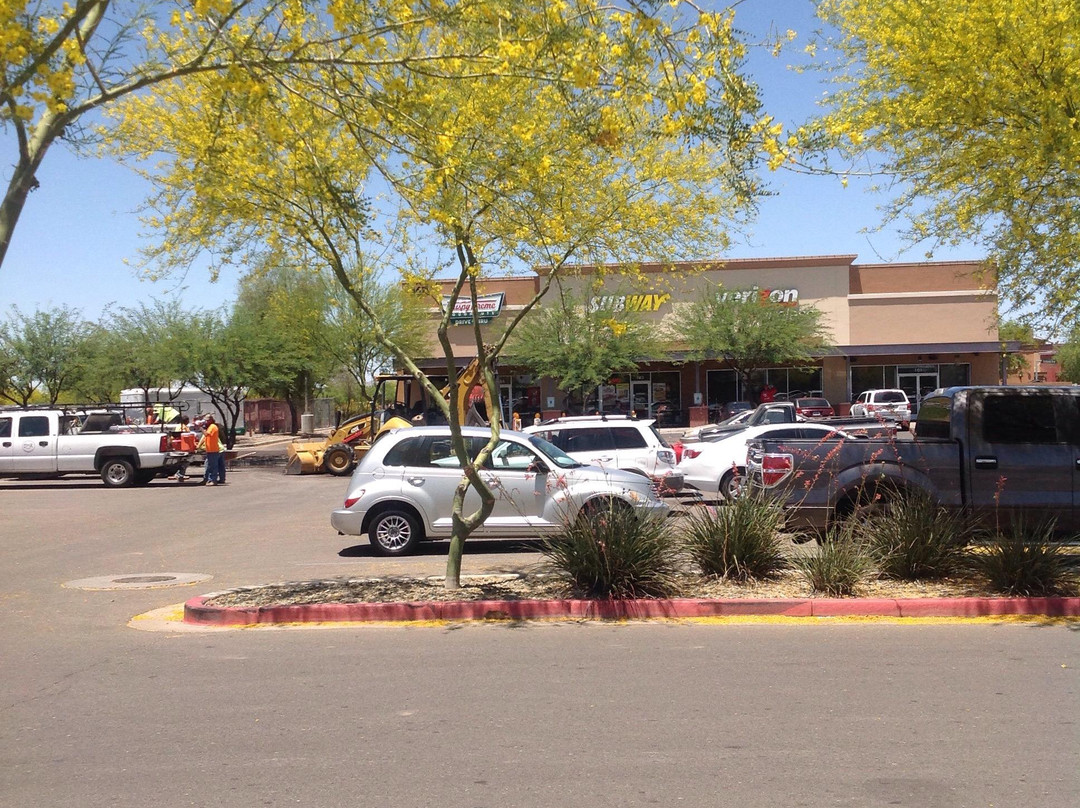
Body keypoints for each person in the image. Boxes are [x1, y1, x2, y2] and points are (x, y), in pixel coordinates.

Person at [201, 414, 225, 486]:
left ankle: (213, 480)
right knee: (212, 466)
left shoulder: (212, 427)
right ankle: (210, 479)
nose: (205, 422)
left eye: (207, 420)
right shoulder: (210, 427)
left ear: (211, 420)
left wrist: (201, 428)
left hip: (213, 450)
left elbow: (206, 434)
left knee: (213, 466)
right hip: (211, 450)